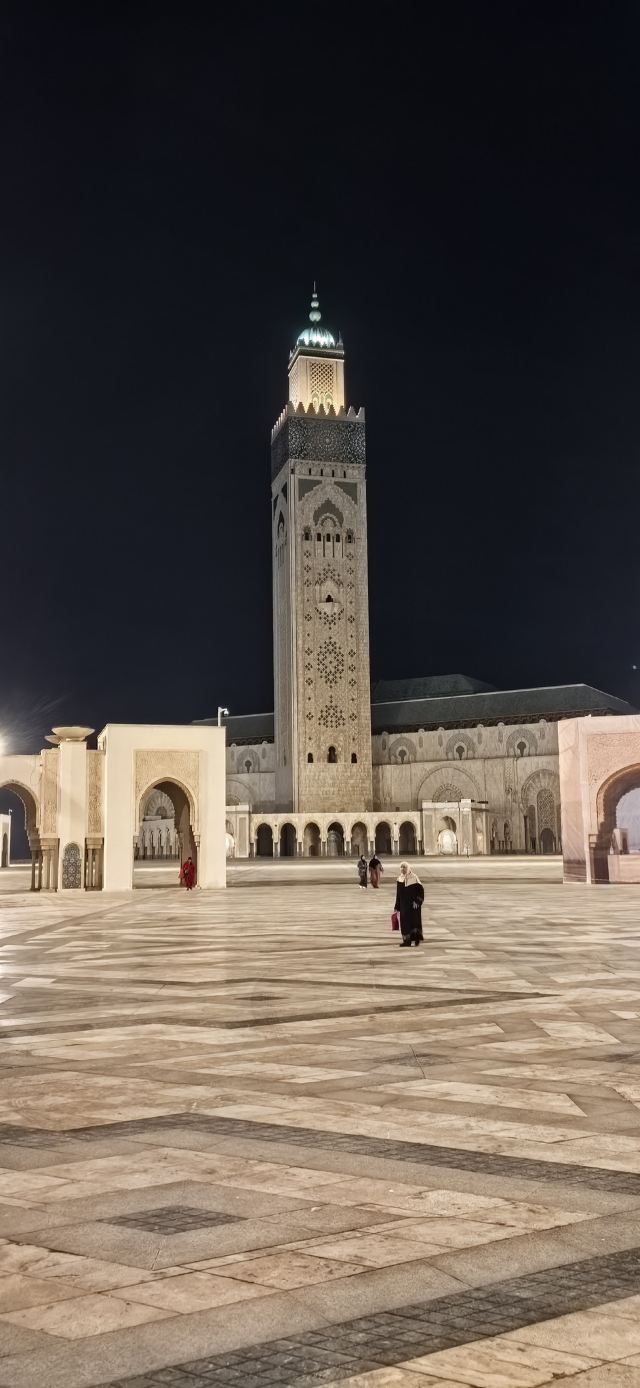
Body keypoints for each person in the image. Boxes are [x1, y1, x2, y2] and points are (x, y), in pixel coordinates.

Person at [394, 861, 424, 946]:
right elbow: (398, 894)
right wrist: (397, 906)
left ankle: (416, 939)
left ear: (408, 868)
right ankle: (407, 941)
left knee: (415, 922)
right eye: (401, 867)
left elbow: (421, 891)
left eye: (405, 867)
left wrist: (418, 901)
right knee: (404, 923)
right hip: (404, 905)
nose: (403, 869)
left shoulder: (414, 878)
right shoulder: (399, 879)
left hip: (413, 905)